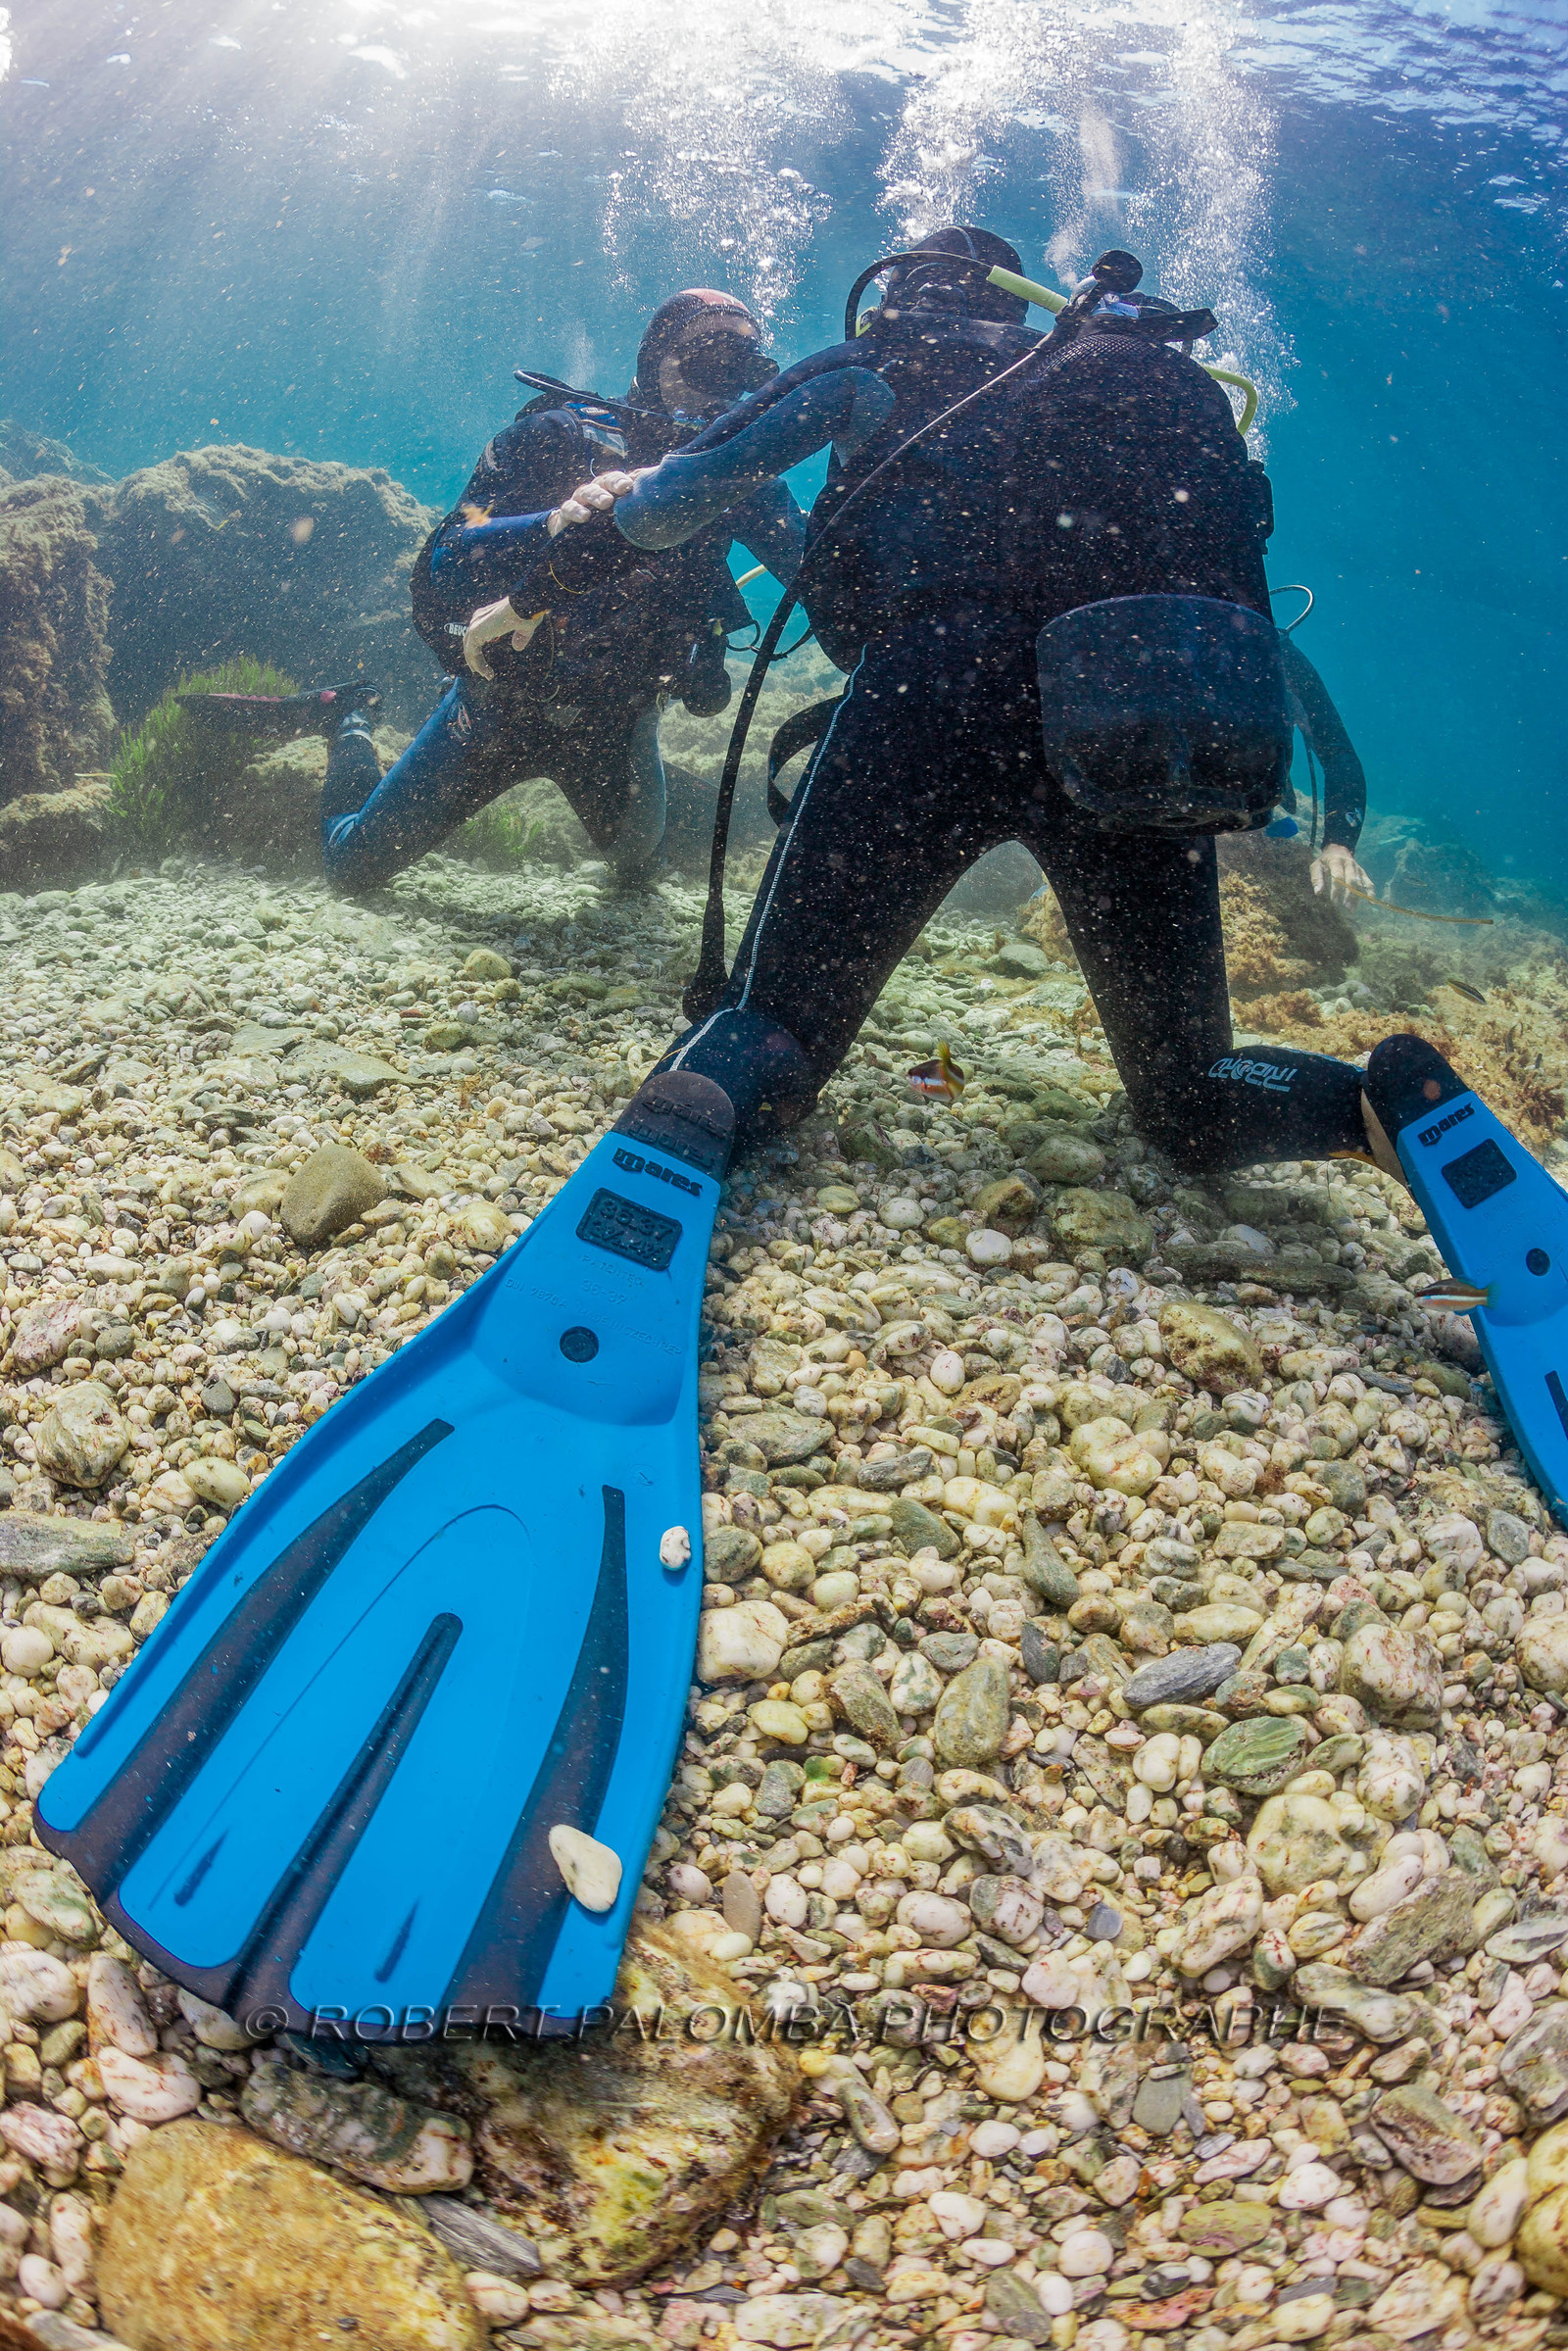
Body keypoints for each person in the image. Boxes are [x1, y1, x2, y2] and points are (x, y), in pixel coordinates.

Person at [581, 226, 1401, 1179]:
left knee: (773, 1027)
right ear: (1014, 301)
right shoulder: (1099, 391)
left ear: (903, 287)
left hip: (930, 701)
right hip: (1120, 718)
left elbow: (667, 507)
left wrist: (602, 521)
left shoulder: (879, 357)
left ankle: (661, 1171)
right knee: (1189, 1088)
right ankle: (1382, 1110)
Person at [252, 293, 804, 895]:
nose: (721, 375)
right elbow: (449, 554)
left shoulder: (739, 473)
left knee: (638, 877)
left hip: (618, 723)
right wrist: (551, 523)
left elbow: (822, 568)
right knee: (350, 869)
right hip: (495, 708)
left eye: (741, 359)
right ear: (655, 358)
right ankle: (350, 716)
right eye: (706, 350)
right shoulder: (553, 436)